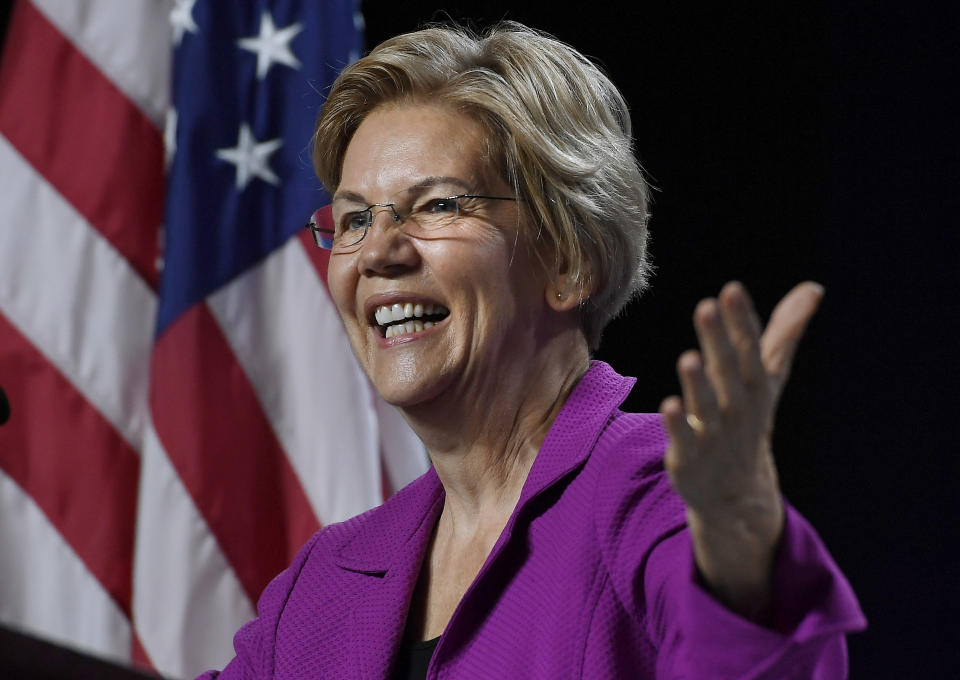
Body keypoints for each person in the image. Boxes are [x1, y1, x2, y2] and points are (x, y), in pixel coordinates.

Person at [199, 21, 865, 680]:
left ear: (570, 259)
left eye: (436, 205)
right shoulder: (322, 585)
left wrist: (742, 569)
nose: (377, 252)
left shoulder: (659, 496)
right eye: (353, 219)